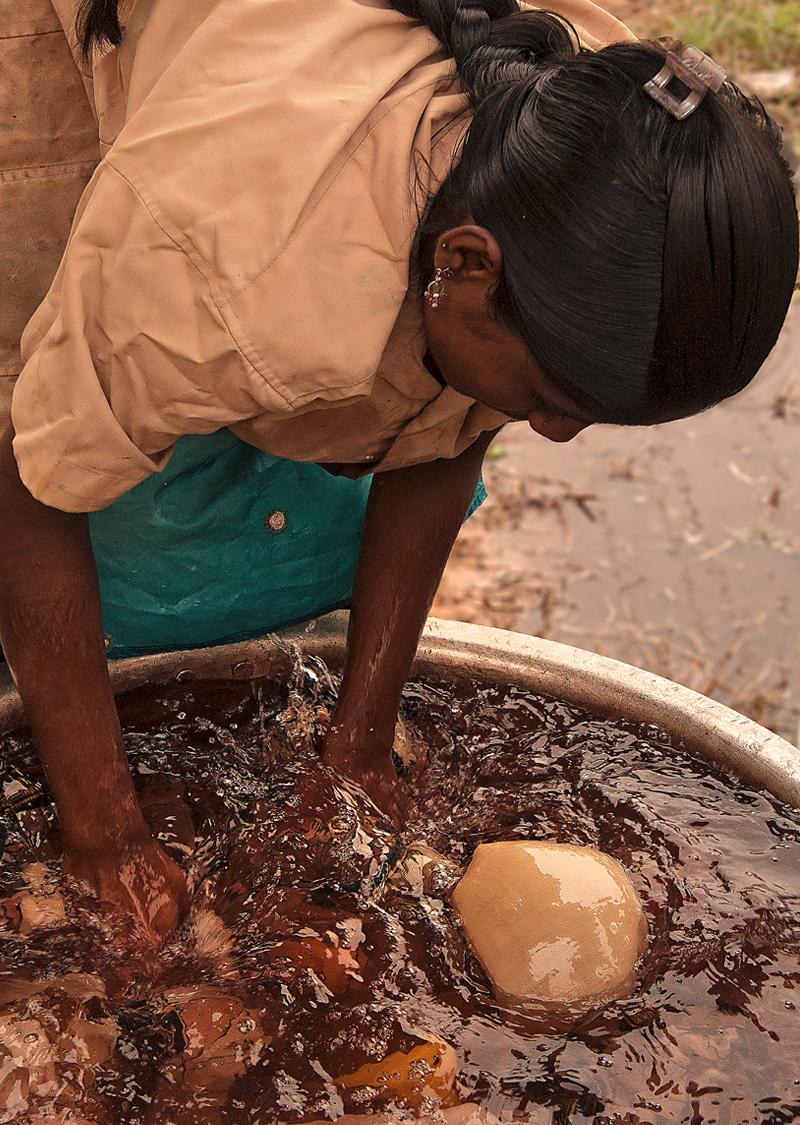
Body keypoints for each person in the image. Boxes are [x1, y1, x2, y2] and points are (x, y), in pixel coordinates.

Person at [0, 0, 797, 941]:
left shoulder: (616, 160)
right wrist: (103, 829)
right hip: (93, 55)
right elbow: (28, 482)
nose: (552, 433)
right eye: (550, 396)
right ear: (461, 263)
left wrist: (360, 742)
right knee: (63, 398)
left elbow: (451, 427)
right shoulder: (229, 263)